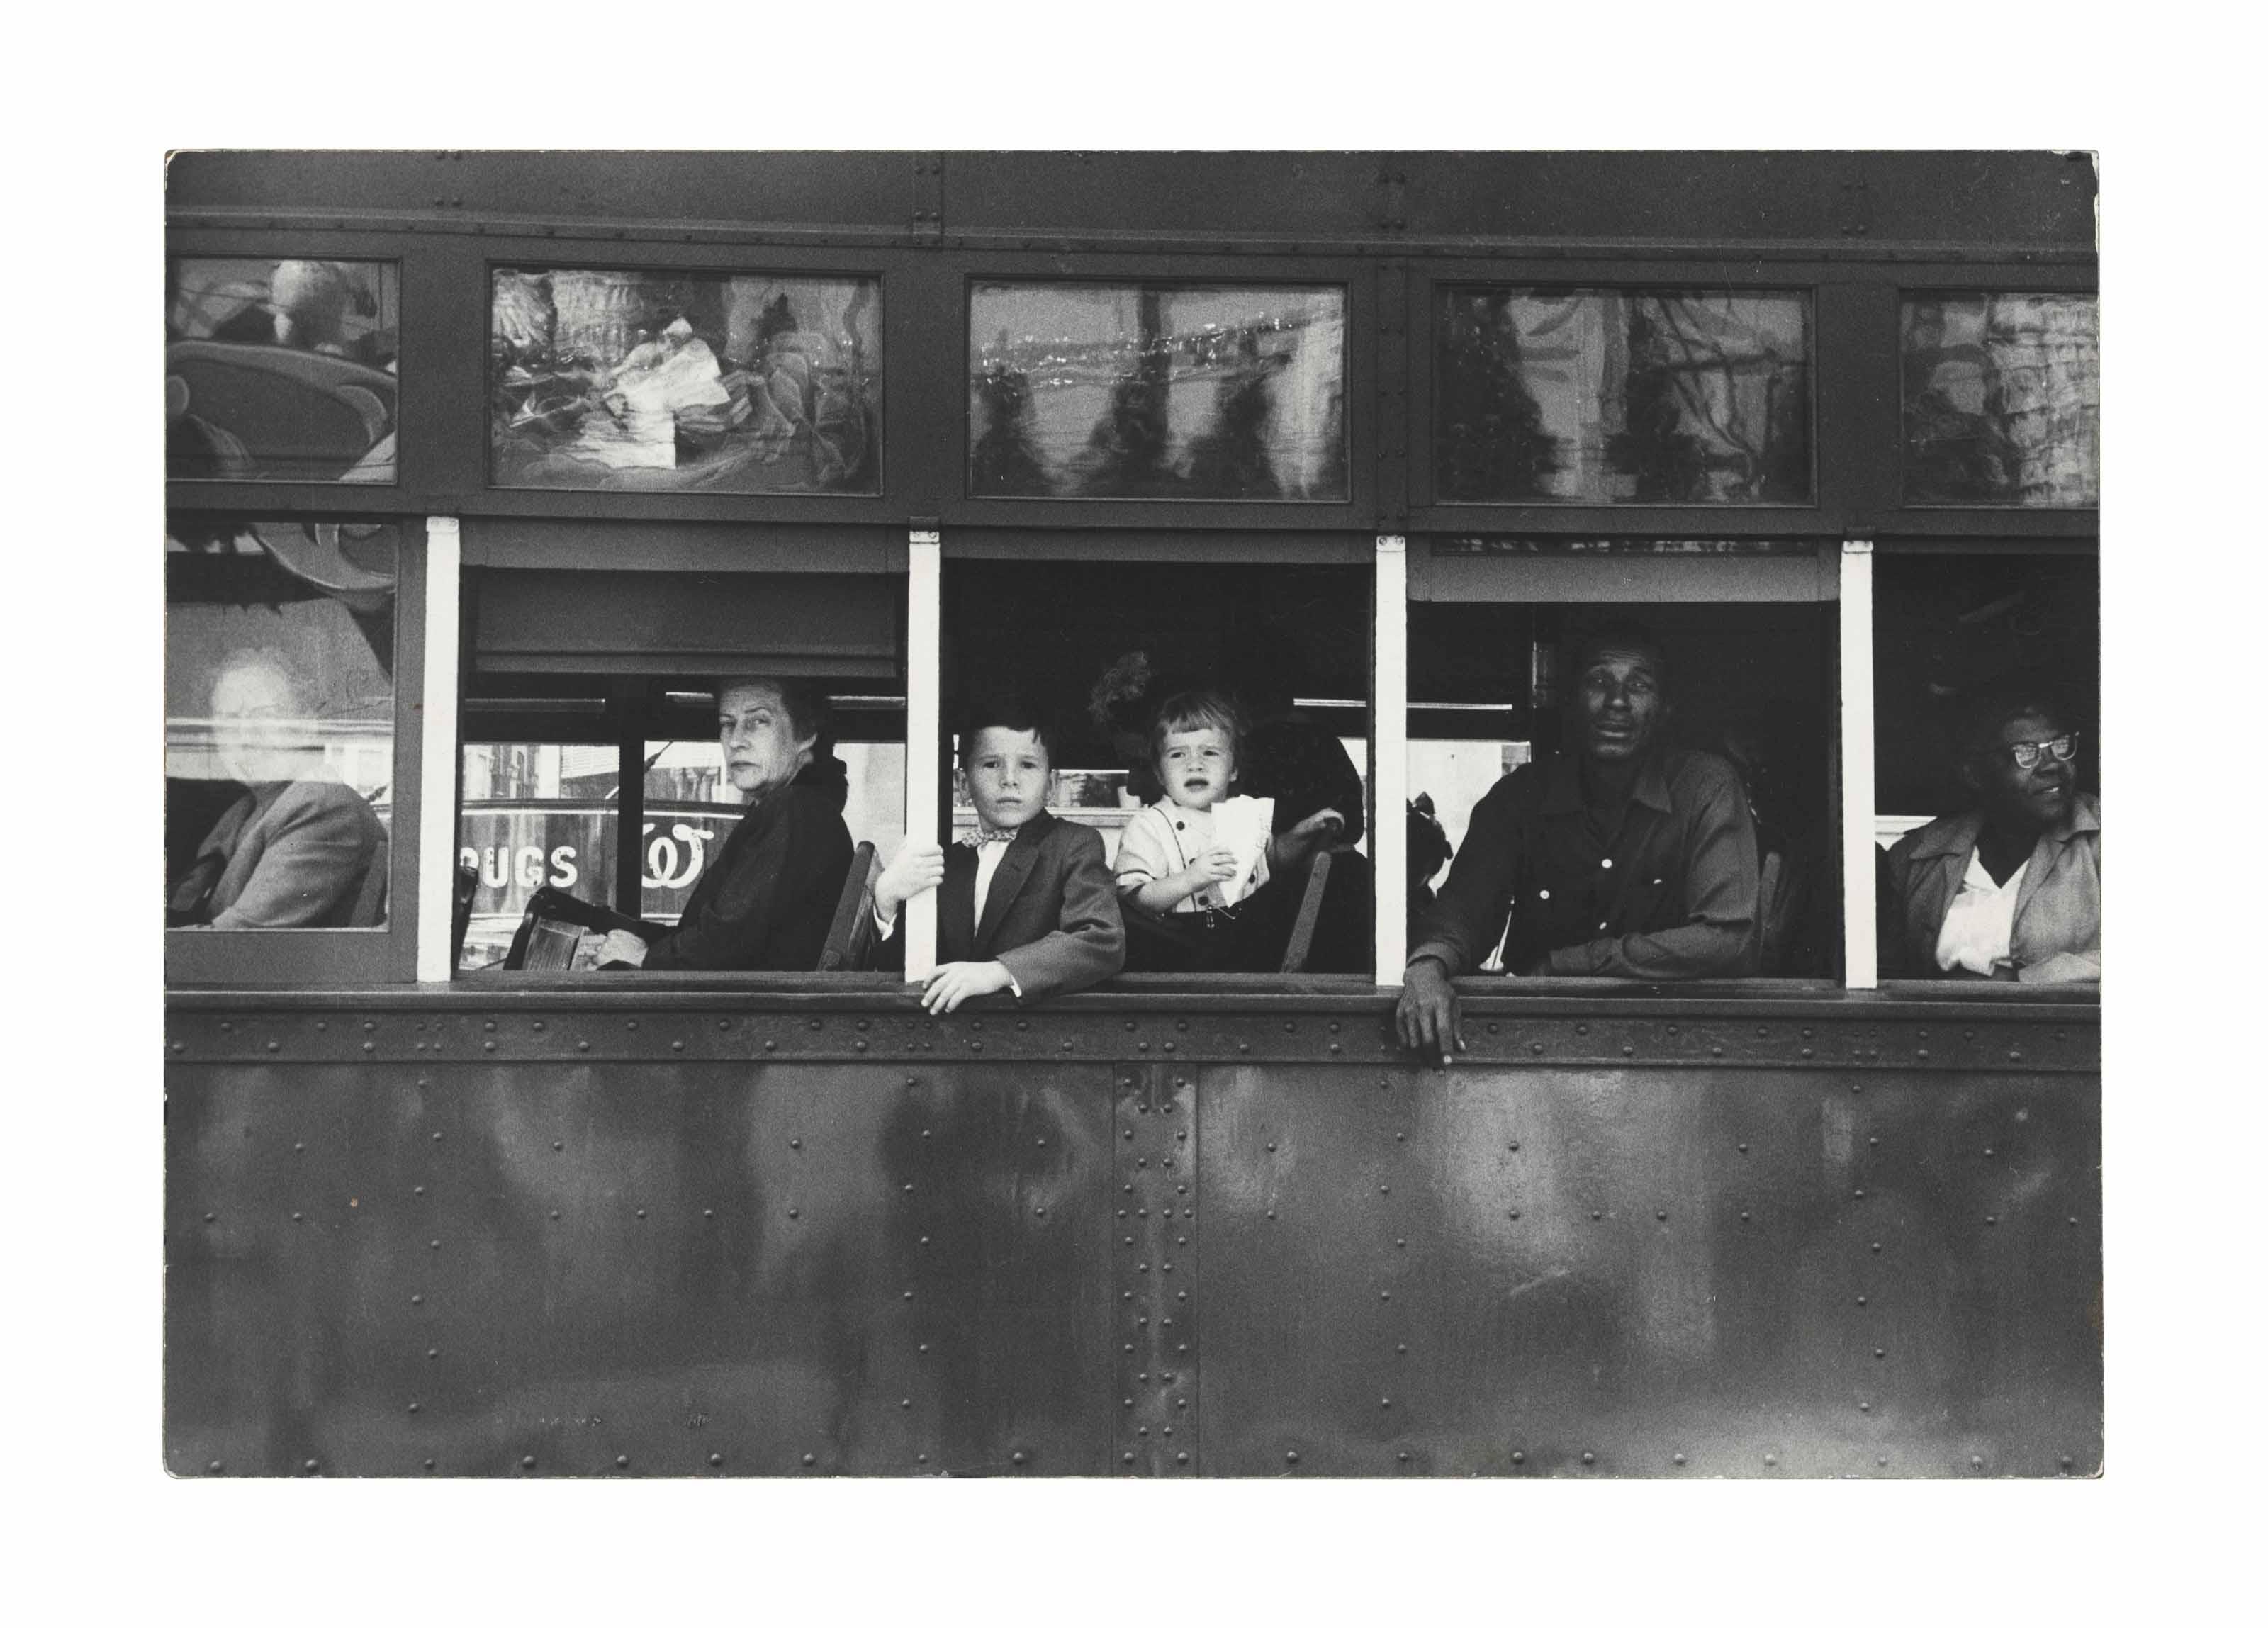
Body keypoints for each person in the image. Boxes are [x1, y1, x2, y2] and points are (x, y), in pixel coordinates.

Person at [1396, 620, 1760, 1062]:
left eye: (1639, 685)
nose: (1617, 701)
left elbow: (1726, 938)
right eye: (1599, 682)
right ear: (1572, 701)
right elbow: (1465, 908)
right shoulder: (1520, 797)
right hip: (1537, 1045)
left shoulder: (1705, 788)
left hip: (1673, 1046)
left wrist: (1567, 963)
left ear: (1665, 709)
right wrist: (1428, 967)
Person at [865, 697, 1124, 1011]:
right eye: (991, 764)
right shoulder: (948, 862)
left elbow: (1101, 940)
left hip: (1040, 1031)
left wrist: (999, 972)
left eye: (1027, 765)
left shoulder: (1074, 844)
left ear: (1051, 784)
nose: (1009, 779)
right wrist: (886, 900)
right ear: (963, 784)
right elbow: (902, 969)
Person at [594, 678, 852, 972]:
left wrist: (643, 957)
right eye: (728, 724)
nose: (735, 741)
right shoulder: (799, 808)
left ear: (805, 734)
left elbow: (726, 941)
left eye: (758, 722)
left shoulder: (795, 809)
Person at [1879, 677, 2099, 984]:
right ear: (1976, 774)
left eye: (2060, 746)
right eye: (2026, 752)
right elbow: (1886, 974)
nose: (2052, 765)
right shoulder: (1918, 858)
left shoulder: (2102, 840)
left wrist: (2027, 981)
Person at [169, 649, 388, 929]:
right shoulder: (241, 813)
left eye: (264, 716)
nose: (245, 737)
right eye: (229, 721)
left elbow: (234, 939)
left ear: (307, 727)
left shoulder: (322, 806)